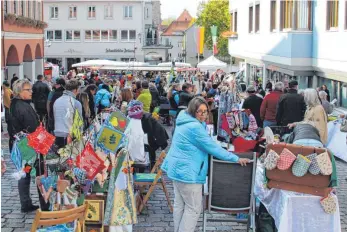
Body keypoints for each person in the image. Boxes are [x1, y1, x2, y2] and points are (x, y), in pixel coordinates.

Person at [161, 97, 250, 232]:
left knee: (180, 205)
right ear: (193, 111)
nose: (203, 115)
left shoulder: (184, 120)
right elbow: (213, 148)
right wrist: (235, 158)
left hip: (177, 169)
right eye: (200, 112)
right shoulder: (194, 127)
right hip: (188, 173)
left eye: (205, 111)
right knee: (193, 208)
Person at [7, 79, 42, 212]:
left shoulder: (15, 104)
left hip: (22, 145)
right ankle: (29, 204)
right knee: (27, 173)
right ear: (20, 91)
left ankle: (26, 203)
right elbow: (32, 127)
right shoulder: (22, 106)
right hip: (27, 147)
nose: (31, 92)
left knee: (25, 173)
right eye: (28, 90)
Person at [53, 79, 83, 148]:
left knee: (60, 156)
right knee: (69, 157)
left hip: (57, 133)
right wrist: (79, 138)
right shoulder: (75, 103)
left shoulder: (57, 100)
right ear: (75, 90)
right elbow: (78, 122)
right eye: (78, 90)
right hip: (69, 135)